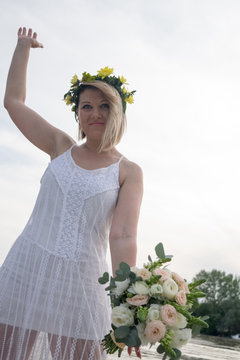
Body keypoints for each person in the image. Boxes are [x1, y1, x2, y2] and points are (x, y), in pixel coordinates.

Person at [0, 27, 143, 360]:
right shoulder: (59, 146)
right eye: (86, 106)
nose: (95, 113)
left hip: (81, 283)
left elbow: (123, 236)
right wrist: (23, 48)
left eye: (104, 105)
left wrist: (127, 306)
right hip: (25, 270)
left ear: (118, 112)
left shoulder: (128, 171)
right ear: (77, 114)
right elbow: (13, 102)